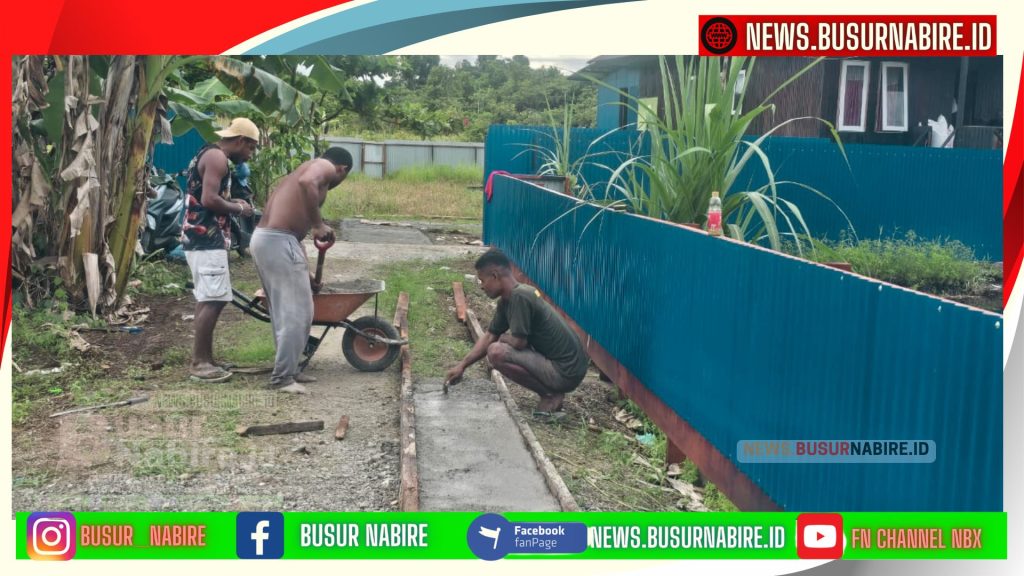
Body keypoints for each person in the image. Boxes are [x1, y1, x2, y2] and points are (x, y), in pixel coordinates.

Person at [250, 147, 353, 394]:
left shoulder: (303, 169)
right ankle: (282, 378)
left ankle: (290, 370)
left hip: (269, 240)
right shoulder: (325, 167)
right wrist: (318, 224)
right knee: (298, 312)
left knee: (286, 312)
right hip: (277, 239)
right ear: (343, 169)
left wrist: (305, 273)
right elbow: (308, 182)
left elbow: (295, 230)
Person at [445, 249, 589, 415]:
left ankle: (550, 395)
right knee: (494, 345)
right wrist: (462, 366)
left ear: (495, 275)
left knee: (496, 352)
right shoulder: (508, 300)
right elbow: (490, 335)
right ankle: (550, 392)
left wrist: (505, 337)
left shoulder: (520, 296)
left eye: (482, 280)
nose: (482, 287)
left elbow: (519, 343)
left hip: (565, 371)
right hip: (566, 367)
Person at [182, 117, 258, 382]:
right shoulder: (217, 158)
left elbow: (211, 196)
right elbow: (208, 199)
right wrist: (239, 208)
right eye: (250, 148)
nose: (250, 154)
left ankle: (206, 358)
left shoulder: (209, 154)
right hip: (206, 238)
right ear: (240, 140)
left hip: (203, 237)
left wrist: (232, 201)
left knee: (210, 298)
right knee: (213, 299)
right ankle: (200, 363)